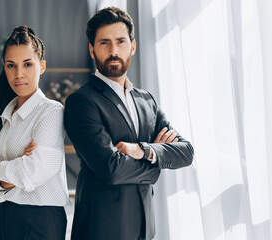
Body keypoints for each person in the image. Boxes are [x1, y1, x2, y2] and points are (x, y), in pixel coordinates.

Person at [64, 7, 194, 240]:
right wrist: (156, 165)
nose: (114, 51)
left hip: (144, 229)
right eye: (104, 43)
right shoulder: (81, 101)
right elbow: (111, 170)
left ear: (133, 46)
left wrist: (143, 150)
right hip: (100, 230)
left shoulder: (147, 100)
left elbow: (185, 153)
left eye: (121, 41)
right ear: (92, 50)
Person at [0, 25, 70, 240]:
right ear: (4, 68)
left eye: (27, 64)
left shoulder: (51, 111)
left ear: (42, 66)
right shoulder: (0, 117)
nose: (19, 74)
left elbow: (31, 172)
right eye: (11, 65)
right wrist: (10, 174)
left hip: (38, 221)